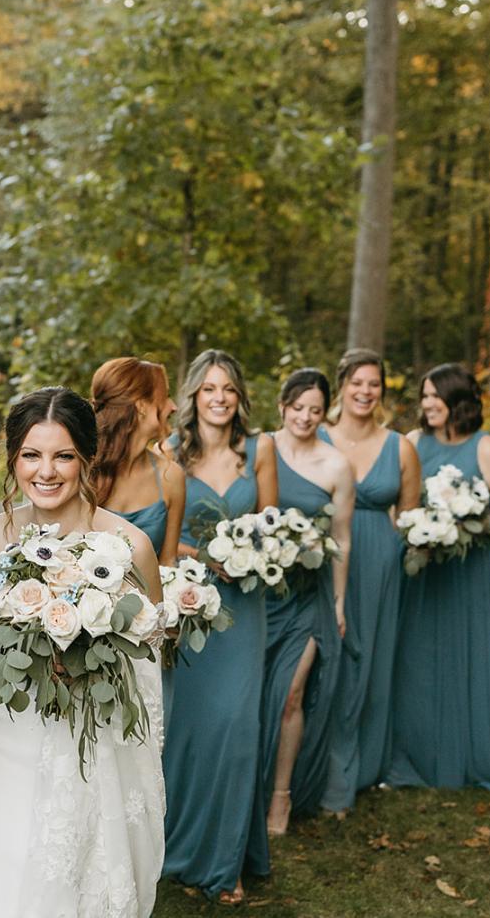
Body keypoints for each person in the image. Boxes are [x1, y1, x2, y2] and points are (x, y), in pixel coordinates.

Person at [0, 386, 166, 917]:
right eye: (31, 455)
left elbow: (153, 654)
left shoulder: (129, 545)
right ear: (13, 458)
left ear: (87, 459)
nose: (47, 471)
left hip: (89, 749)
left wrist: (93, 657)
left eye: (63, 455)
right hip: (1, 742)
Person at [162, 350, 277, 905]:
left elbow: (273, 523)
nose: (219, 397)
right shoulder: (171, 454)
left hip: (246, 607)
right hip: (194, 604)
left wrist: (251, 551)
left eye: (228, 388)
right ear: (194, 396)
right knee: (191, 728)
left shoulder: (260, 450)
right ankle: (177, 847)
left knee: (237, 728)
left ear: (240, 397)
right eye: (209, 388)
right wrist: (207, 558)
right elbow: (165, 535)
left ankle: (227, 862)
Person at [387, 363, 490, 790]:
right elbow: (397, 505)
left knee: (468, 654)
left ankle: (471, 755)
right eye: (423, 395)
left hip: (470, 568)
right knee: (418, 656)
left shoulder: (485, 447)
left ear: (458, 399)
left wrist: (466, 528)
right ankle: (416, 754)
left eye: (435, 395)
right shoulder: (411, 443)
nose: (427, 403)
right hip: (422, 565)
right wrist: (416, 532)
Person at [318, 349, 419, 813]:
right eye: (357, 382)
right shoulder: (315, 433)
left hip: (379, 561)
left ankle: (364, 767)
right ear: (342, 385)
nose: (365, 391)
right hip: (323, 558)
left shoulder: (401, 447)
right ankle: (317, 766)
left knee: (370, 661)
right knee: (327, 659)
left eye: (374, 384)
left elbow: (411, 519)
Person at [261, 368, 353, 835]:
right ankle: (246, 788)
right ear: (282, 406)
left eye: (315, 410)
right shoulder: (260, 449)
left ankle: (281, 797)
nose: (305, 417)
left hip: (307, 598)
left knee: (290, 694)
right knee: (255, 695)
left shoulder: (336, 465)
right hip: (261, 594)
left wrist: (337, 603)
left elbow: (342, 539)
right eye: (297, 408)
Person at [90, 357, 185, 565]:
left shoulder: (171, 476)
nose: (173, 406)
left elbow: (168, 563)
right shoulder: (82, 470)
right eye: (166, 396)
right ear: (142, 406)